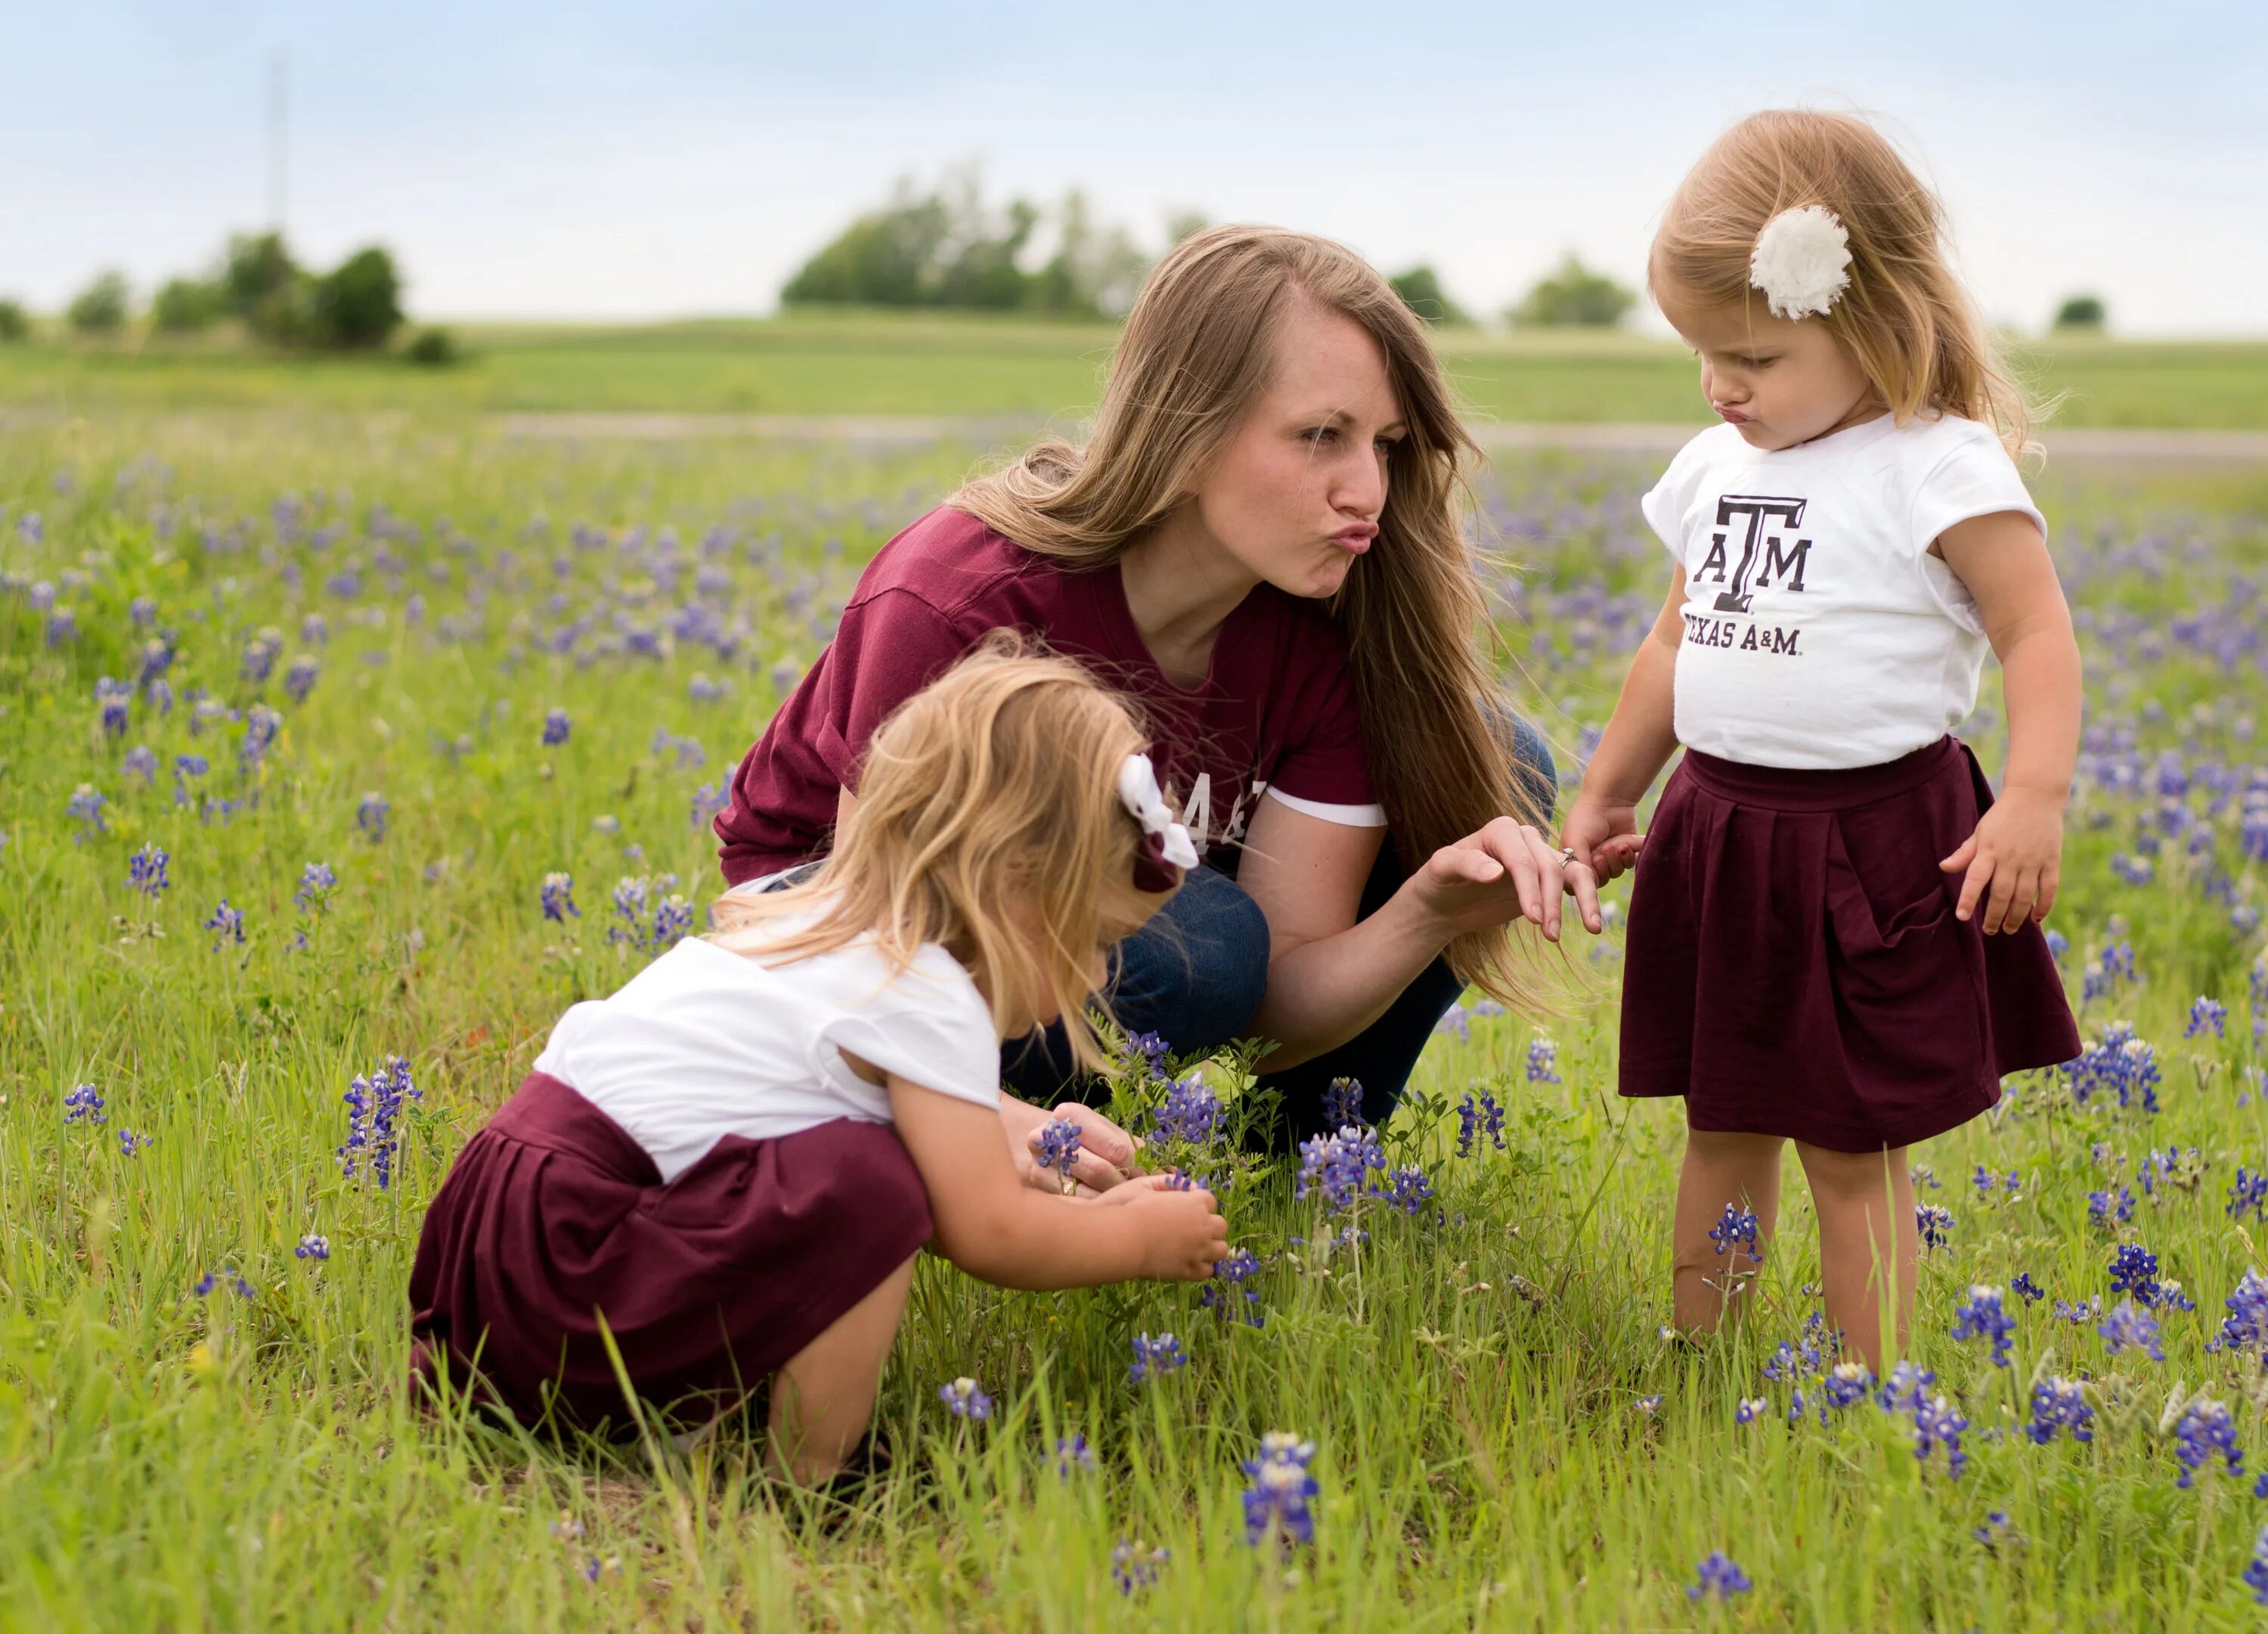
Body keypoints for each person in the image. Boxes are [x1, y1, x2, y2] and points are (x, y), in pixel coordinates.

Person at [714, 225, 1601, 1148]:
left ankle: (1302, 1170)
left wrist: (1426, 913)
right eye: (1320, 437)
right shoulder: (966, 597)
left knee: (1490, 759)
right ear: (1186, 433)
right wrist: (1006, 1133)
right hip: (827, 932)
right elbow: (870, 942)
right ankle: (1005, 1139)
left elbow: (1275, 1008)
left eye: (1384, 443)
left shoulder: (1324, 632)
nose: (1367, 490)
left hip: (1096, 920)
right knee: (1208, 949)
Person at [408, 642, 1229, 1481]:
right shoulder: (925, 986)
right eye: (1093, 940)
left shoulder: (808, 913)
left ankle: (658, 1397)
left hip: (492, 1258)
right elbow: (985, 1230)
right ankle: (815, 1473)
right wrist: (1134, 1238)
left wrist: (1069, 1192)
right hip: (572, 1279)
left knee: (872, 1174)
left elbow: (959, 1191)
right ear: (1011, 886)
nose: (1095, 977)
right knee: (873, 1189)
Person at [1564, 110, 2083, 1372]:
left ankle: (1872, 1396)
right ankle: (1709, 1371)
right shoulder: (1712, 466)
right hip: (1720, 830)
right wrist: (1605, 790)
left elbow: (2036, 635)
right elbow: (1672, 643)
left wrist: (2032, 797)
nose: (1719, 385)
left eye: (1754, 355)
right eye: (1700, 353)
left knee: (1854, 1142)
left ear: (1874, 319)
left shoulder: (1936, 466)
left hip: (1876, 841)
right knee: (1722, 1124)